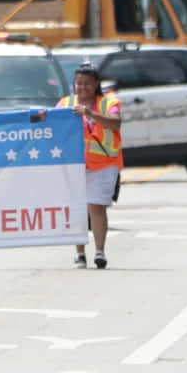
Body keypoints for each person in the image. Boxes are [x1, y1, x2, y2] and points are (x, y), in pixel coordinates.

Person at [58, 61, 122, 269]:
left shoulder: (109, 102)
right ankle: (79, 253)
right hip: (75, 165)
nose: (82, 87)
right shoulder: (66, 102)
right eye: (78, 83)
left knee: (96, 207)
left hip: (104, 164)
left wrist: (90, 114)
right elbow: (52, 122)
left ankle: (99, 251)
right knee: (77, 208)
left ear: (96, 84)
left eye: (87, 83)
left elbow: (116, 123)